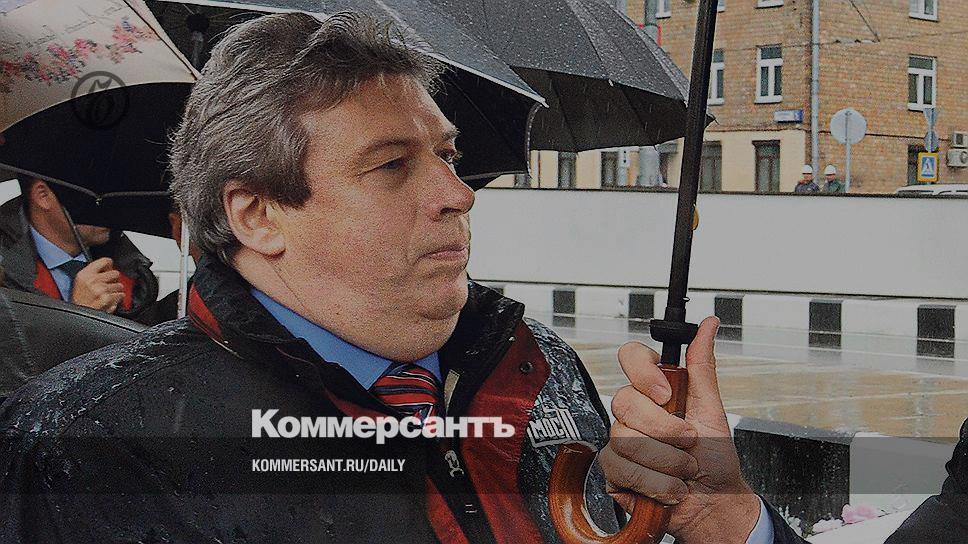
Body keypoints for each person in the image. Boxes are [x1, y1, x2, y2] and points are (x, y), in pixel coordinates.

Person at [0, 12, 698, 543]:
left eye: (447, 155)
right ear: (258, 215)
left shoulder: (540, 364)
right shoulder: (94, 440)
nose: (458, 194)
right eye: (391, 165)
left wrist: (714, 520)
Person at [0, 175, 158, 323]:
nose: (113, 209)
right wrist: (79, 317)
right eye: (98, 197)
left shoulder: (131, 268)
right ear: (43, 195)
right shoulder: (6, 274)